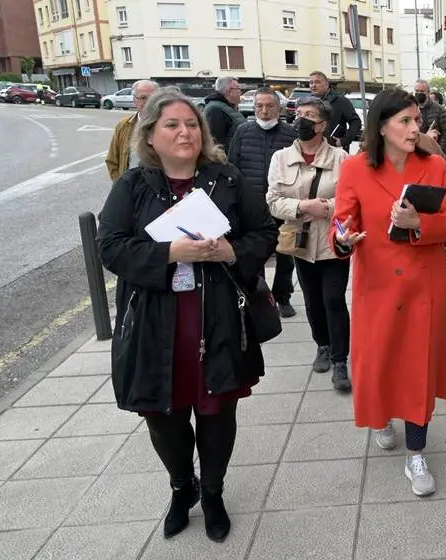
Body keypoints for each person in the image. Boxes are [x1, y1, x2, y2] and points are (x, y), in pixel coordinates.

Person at [97, 89, 279, 542]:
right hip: (156, 326)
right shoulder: (133, 186)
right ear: (151, 137)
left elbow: (265, 232)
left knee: (218, 415)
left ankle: (213, 492)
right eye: (172, 125)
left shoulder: (228, 180)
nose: (185, 132)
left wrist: (232, 250)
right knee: (164, 417)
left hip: (217, 320)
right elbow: (110, 246)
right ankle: (183, 488)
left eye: (192, 124)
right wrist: (169, 253)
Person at [330, 88, 446, 496]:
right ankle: (382, 416)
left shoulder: (435, 166)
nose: (414, 127)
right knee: (380, 362)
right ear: (382, 127)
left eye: (416, 120)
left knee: (419, 367)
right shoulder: (355, 168)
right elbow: (340, 221)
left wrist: (418, 221)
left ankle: (416, 453)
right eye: (405, 121)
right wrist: (343, 239)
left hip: (426, 285)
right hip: (379, 286)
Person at [266, 97, 352, 391]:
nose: (300, 119)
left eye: (309, 116)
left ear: (323, 124)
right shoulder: (281, 158)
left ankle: (340, 359)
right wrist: (303, 206)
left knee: (333, 299)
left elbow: (352, 198)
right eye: (298, 114)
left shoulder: (341, 159)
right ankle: (323, 345)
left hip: (334, 240)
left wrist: (326, 208)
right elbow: (273, 201)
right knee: (313, 300)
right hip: (300, 241)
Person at [229, 87, 299, 318]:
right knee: (254, 252)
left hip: (282, 202)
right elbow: (233, 165)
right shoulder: (243, 131)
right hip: (252, 204)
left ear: (278, 108)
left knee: (285, 251)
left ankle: (283, 296)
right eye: (259, 106)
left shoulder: (290, 134)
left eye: (269, 106)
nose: (264, 111)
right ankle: (258, 296)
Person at [105, 79, 159, 182]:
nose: (148, 102)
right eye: (143, 98)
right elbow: (112, 160)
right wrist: (120, 186)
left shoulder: (169, 126)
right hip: (131, 188)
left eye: (153, 97)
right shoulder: (123, 126)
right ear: (135, 101)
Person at [308, 70, 361, 152]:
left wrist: (344, 140)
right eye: (311, 83)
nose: (313, 85)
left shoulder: (341, 101)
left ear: (327, 84)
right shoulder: (308, 103)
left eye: (317, 82)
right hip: (313, 149)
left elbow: (356, 122)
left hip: (335, 150)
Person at [203, 76, 247, 151]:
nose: (241, 91)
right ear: (229, 91)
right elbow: (217, 144)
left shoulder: (227, 107)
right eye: (238, 88)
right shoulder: (215, 111)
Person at [413, 79, 446, 154]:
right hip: (418, 150)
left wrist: (439, 150)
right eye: (417, 91)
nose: (419, 93)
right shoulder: (411, 109)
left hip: (436, 151)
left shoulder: (439, 109)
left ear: (428, 92)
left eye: (422, 91)